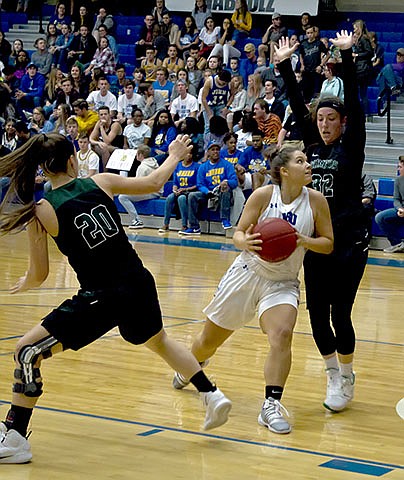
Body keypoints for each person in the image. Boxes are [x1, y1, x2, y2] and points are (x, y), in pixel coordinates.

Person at [0, 133, 232, 464]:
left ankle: (17, 435)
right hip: (139, 282)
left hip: (102, 297)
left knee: (26, 351)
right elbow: (153, 182)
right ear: (72, 161)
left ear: (43, 168)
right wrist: (175, 154)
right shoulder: (102, 181)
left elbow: (40, 275)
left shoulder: (43, 210)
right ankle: (211, 393)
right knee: (159, 340)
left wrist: (25, 281)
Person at [172, 147, 333, 434]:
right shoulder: (263, 196)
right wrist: (243, 242)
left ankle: (271, 404)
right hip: (247, 273)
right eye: (300, 161)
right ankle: (192, 366)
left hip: (282, 281)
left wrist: (303, 240)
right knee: (207, 342)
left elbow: (328, 243)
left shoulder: (316, 201)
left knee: (282, 334)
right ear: (284, 171)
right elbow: (239, 231)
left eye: (307, 160)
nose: (308, 165)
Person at [276, 32, 369, 412]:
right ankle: (332, 372)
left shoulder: (353, 144)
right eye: (321, 119)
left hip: (348, 243)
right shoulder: (311, 147)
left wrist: (346, 57)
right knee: (316, 318)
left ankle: (346, 374)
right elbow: (298, 104)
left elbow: (356, 103)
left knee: (340, 314)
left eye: (332, 119)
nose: (325, 124)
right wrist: (284, 64)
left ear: (343, 123)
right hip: (314, 241)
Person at [181, 140, 238, 235]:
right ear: (208, 152)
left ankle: (225, 219)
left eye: (217, 149)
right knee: (192, 196)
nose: (215, 151)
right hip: (208, 193)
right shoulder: (203, 167)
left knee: (226, 188)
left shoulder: (227, 164)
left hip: (221, 191)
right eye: (213, 150)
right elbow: (200, 184)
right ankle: (194, 227)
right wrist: (207, 191)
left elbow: (234, 182)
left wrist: (226, 182)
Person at [158, 150, 199, 233]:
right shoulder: (178, 166)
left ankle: (184, 225)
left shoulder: (197, 166)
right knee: (169, 198)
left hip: (190, 191)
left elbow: (198, 184)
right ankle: (166, 224)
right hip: (179, 190)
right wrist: (175, 189)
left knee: (182, 198)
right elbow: (175, 182)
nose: (189, 155)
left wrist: (186, 189)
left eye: (190, 153)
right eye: (187, 153)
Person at [375, 156, 404, 253]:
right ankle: (397, 243)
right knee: (380, 217)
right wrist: (400, 208)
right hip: (401, 210)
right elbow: (396, 199)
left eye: (400, 167)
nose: (398, 169)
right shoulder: (398, 180)